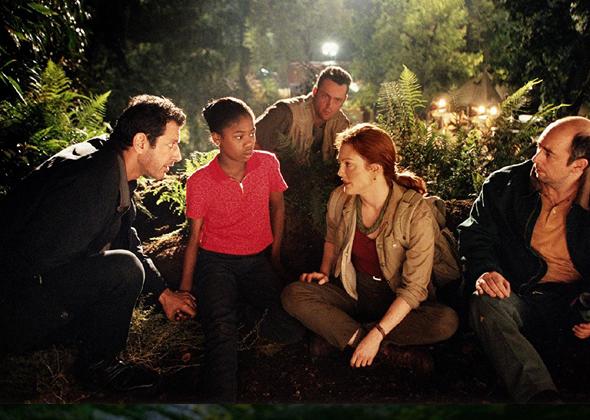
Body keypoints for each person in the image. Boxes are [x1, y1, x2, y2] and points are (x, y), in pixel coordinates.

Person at [0, 94, 197, 392]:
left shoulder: (109, 160)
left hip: (31, 286)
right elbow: (38, 261)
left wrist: (164, 294)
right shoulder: (92, 180)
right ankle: (99, 367)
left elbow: (125, 236)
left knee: (122, 265)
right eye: (171, 144)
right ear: (141, 142)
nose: (178, 155)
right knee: (124, 270)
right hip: (15, 304)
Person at [281, 123, 459, 369]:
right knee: (293, 294)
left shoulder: (415, 212)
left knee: (446, 322)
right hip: (354, 291)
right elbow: (331, 237)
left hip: (398, 299)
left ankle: (346, 337)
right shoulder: (340, 198)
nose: (340, 172)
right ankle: (379, 348)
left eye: (348, 164)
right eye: (340, 163)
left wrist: (377, 332)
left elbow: (414, 289)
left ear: (374, 169)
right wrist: (324, 272)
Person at [180, 97, 305, 401]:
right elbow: (194, 238)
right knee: (221, 333)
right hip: (216, 263)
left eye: (251, 133)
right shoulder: (200, 181)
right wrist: (184, 290)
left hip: (256, 261)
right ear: (217, 139)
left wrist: (275, 257)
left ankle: (235, 311)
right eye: (239, 136)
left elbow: (278, 208)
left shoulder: (267, 163)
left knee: (292, 329)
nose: (249, 142)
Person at [458, 116, 590, 402]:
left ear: (579, 166)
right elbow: (475, 232)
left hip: (573, 306)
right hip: (516, 295)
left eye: (548, 153)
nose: (535, 158)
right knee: (485, 302)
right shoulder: (505, 184)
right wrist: (485, 270)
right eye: (538, 147)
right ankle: (540, 398)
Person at [255, 65, 352, 164]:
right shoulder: (286, 112)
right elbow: (251, 143)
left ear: (344, 100)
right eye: (325, 96)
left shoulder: (342, 125)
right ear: (315, 91)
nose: (329, 105)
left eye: (337, 100)